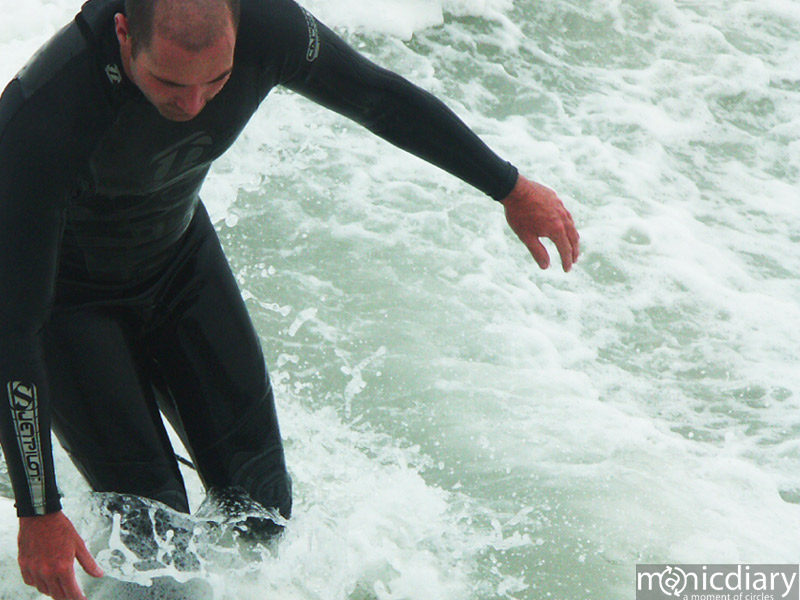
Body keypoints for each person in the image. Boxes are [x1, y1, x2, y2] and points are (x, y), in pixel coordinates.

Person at [0, 0, 580, 598]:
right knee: (157, 545)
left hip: (177, 266)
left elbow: (376, 97)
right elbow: (11, 328)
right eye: (169, 82)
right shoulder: (40, 116)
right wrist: (38, 510)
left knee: (263, 510)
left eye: (217, 81)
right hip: (68, 308)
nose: (194, 105)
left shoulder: (268, 27)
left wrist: (507, 185)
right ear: (123, 34)